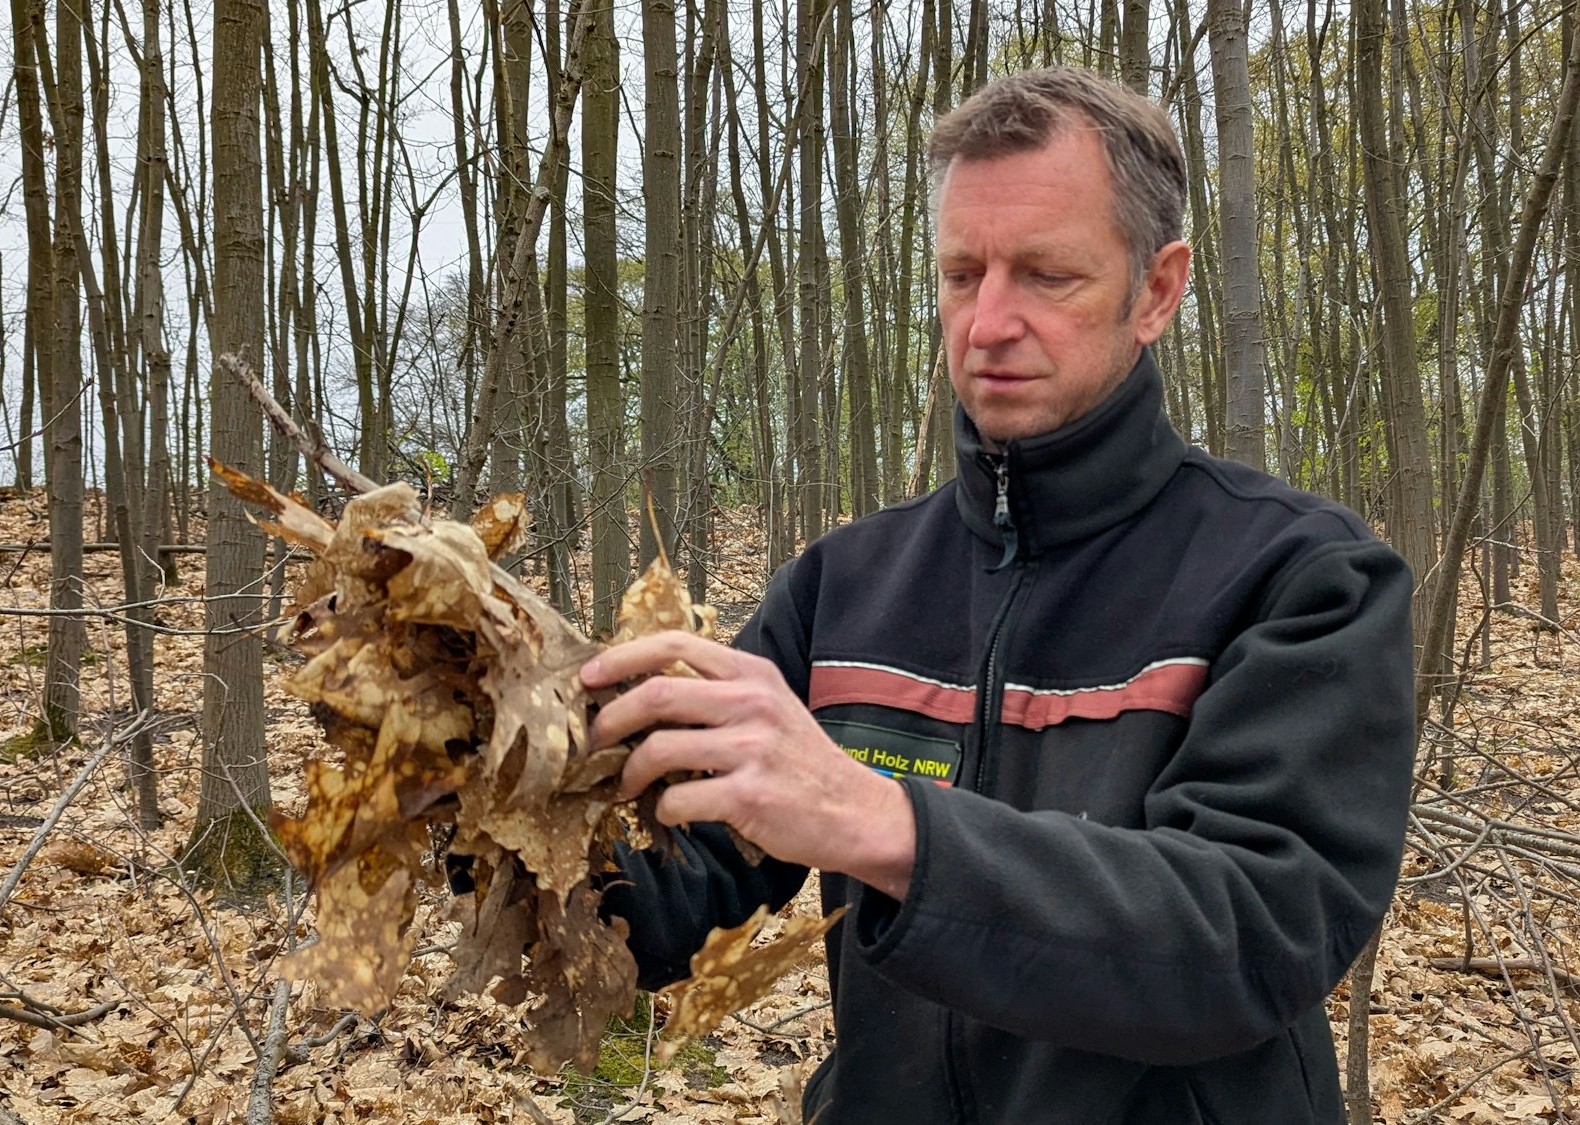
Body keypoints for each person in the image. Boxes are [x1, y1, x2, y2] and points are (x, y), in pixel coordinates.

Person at [584, 66, 1417, 1125]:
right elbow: (669, 904)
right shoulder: (845, 588)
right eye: (960, 273)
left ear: (1156, 290)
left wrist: (887, 827)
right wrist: (494, 781)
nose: (986, 324)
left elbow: (1253, 934)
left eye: (1044, 276)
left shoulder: (1297, 576)